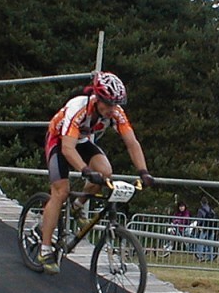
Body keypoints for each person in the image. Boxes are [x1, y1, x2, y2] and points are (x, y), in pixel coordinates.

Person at [39, 71, 154, 274]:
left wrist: (143, 171)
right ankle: (45, 249)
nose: (112, 109)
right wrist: (84, 170)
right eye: (108, 104)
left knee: (105, 172)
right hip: (59, 140)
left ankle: (77, 206)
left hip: (82, 140)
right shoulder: (79, 108)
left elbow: (132, 143)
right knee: (60, 191)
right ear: (97, 99)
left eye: (116, 104)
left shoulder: (116, 113)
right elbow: (67, 149)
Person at [195, 197, 216, 261]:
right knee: (210, 243)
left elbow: (199, 219)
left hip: (204, 227)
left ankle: (200, 256)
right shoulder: (211, 210)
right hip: (211, 228)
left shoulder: (201, 210)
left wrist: (199, 226)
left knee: (201, 242)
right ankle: (210, 256)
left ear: (201, 202)